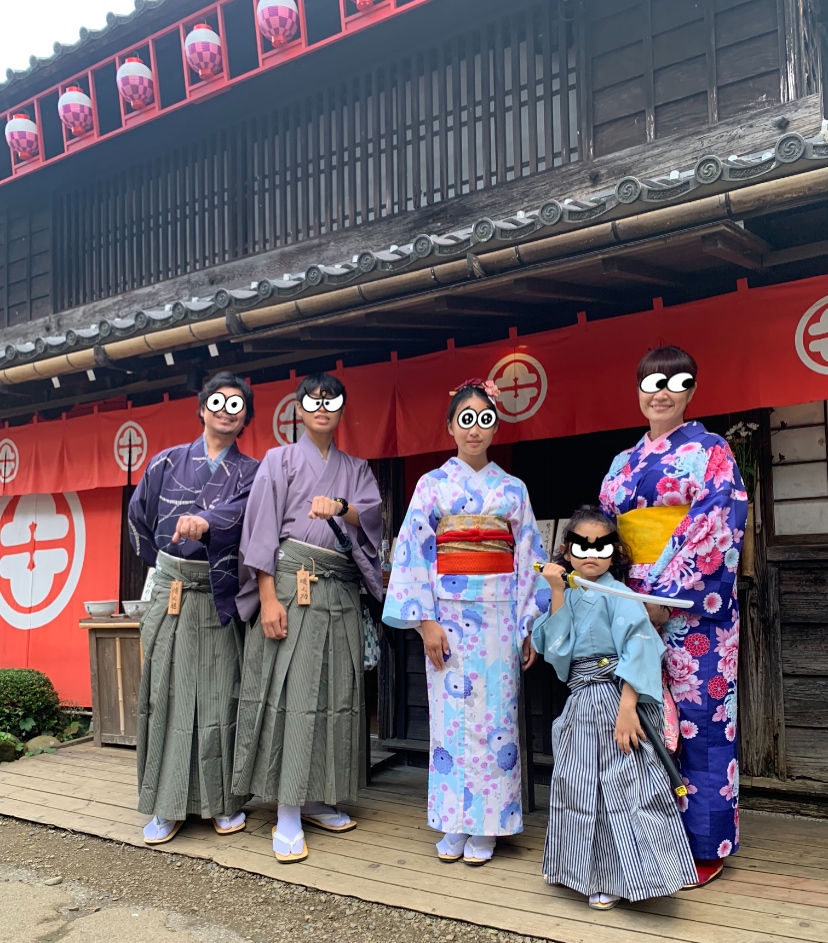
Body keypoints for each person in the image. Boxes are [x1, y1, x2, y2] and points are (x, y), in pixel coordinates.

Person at [599, 346, 747, 888]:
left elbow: (717, 522)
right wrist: (614, 591)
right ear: (638, 390)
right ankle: (645, 837)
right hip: (633, 607)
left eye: (674, 382)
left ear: (690, 391)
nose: (661, 392)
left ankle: (705, 844)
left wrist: (665, 597)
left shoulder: (712, 452)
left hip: (694, 613)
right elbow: (606, 534)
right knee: (638, 720)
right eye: (651, 382)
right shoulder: (621, 464)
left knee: (703, 722)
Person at [383, 379, 547, 866]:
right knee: (451, 724)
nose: (475, 429)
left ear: (495, 427)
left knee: (496, 720)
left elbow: (528, 557)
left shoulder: (513, 490)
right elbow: (413, 552)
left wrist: (527, 625)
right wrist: (426, 622)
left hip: (499, 615)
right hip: (448, 617)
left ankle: (490, 826)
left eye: (485, 419)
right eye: (466, 419)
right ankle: (454, 821)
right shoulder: (432, 486)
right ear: (452, 427)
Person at [233, 373, 382, 864]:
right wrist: (267, 598)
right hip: (291, 589)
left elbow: (371, 521)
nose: (322, 409)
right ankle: (288, 809)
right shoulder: (278, 461)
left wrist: (343, 507)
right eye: (313, 401)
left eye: (332, 402)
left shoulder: (356, 467)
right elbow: (258, 533)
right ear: (298, 409)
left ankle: (319, 794)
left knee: (335, 695)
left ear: (342, 411)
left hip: (338, 592)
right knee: (293, 699)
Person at [533, 506, 697, 910]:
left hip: (619, 696)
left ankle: (634, 875)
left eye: (601, 546)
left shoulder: (619, 593)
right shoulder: (569, 594)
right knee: (580, 786)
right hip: (582, 698)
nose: (592, 554)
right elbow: (557, 654)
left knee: (624, 787)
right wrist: (557, 592)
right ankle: (587, 873)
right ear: (567, 553)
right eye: (581, 546)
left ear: (614, 552)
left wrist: (628, 707)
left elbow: (640, 645)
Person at [128, 371, 259, 845]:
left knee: (223, 692)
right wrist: (168, 566)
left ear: (245, 417)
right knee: (166, 693)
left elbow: (247, 517)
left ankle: (222, 801)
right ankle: (168, 803)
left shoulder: (253, 472)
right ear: (202, 409)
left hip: (219, 591)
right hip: (174, 589)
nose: (227, 412)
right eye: (218, 403)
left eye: (236, 406)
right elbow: (139, 520)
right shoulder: (165, 463)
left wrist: (206, 522)